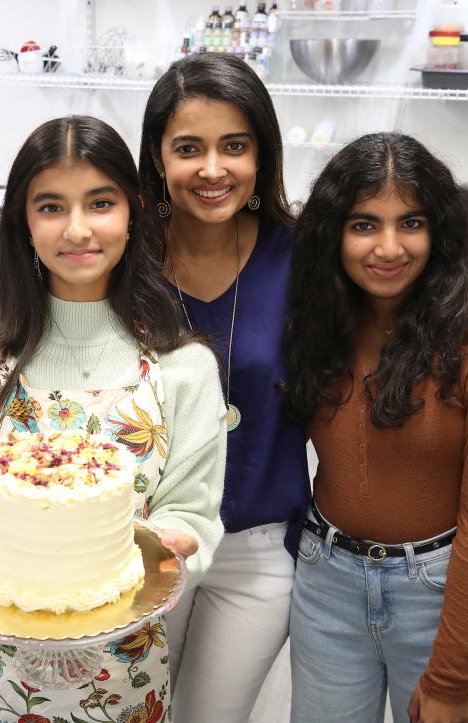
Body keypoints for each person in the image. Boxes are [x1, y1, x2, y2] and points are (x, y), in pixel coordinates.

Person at [0, 115, 227, 720]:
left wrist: (180, 543)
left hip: (124, 669)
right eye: (50, 207)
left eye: (100, 203)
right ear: (23, 225)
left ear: (133, 213)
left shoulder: (185, 368)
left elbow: (191, 511)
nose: (77, 229)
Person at [282, 132, 468, 723]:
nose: (389, 247)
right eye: (365, 224)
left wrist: (449, 679)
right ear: (333, 234)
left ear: (440, 231)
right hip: (325, 584)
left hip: (438, 596)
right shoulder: (319, 325)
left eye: (411, 223)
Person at [137, 52, 309, 721]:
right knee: (130, 711)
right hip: (143, 546)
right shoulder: (125, 260)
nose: (213, 170)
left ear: (260, 155)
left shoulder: (302, 257)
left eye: (234, 146)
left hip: (257, 554)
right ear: (157, 158)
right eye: (189, 148)